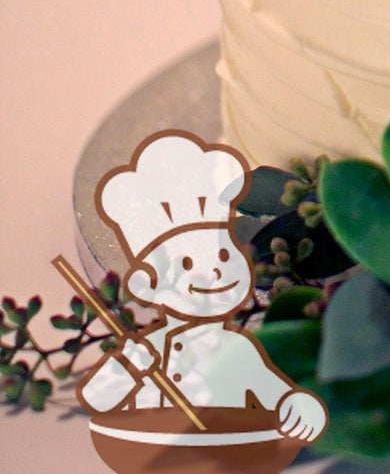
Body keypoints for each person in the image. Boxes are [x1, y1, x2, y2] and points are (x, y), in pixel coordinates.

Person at [77, 130, 327, 441]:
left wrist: (300, 406)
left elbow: (277, 391)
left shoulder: (242, 346)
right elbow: (101, 394)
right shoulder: (152, 345)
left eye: (225, 258)